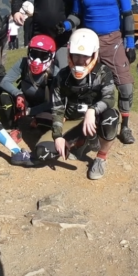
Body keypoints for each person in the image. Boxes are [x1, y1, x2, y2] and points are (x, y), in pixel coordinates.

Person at [65, 0, 137, 145]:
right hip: (89, 42)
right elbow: (77, 14)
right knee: (89, 86)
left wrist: (130, 43)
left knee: (125, 86)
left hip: (113, 41)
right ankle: (91, 128)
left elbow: (127, 14)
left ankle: (125, 127)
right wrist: (66, 25)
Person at [39, 29, 120, 179]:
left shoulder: (103, 72)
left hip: (95, 119)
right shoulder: (62, 76)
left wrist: (92, 110)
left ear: (94, 54)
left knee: (111, 118)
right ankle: (80, 141)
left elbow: (109, 99)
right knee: (42, 153)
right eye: (76, 55)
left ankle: (101, 158)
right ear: (69, 53)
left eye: (85, 56)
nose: (80, 60)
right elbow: (57, 108)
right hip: (73, 121)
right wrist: (57, 136)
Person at [0, 34, 57, 135]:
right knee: (4, 96)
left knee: (47, 121)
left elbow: (52, 103)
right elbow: (5, 81)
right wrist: (18, 94)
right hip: (25, 100)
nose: (37, 60)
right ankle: (12, 125)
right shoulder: (23, 62)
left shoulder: (55, 73)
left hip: (44, 107)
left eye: (43, 56)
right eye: (34, 54)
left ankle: (35, 122)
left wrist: (30, 111)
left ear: (52, 56)